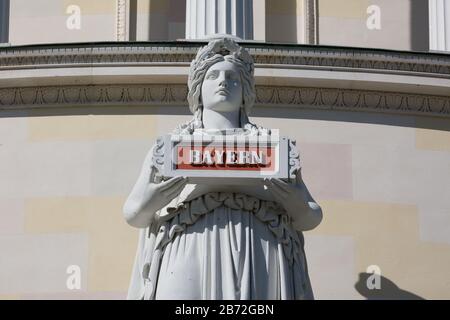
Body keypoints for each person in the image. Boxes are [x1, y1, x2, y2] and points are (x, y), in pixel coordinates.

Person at [123, 37, 322, 300]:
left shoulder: (271, 146)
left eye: (233, 78)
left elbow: (310, 216)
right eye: (213, 75)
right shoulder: (169, 147)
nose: (223, 82)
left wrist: (295, 201)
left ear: (245, 92)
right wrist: (152, 200)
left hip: (257, 243)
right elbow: (133, 213)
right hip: (188, 242)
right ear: (198, 88)